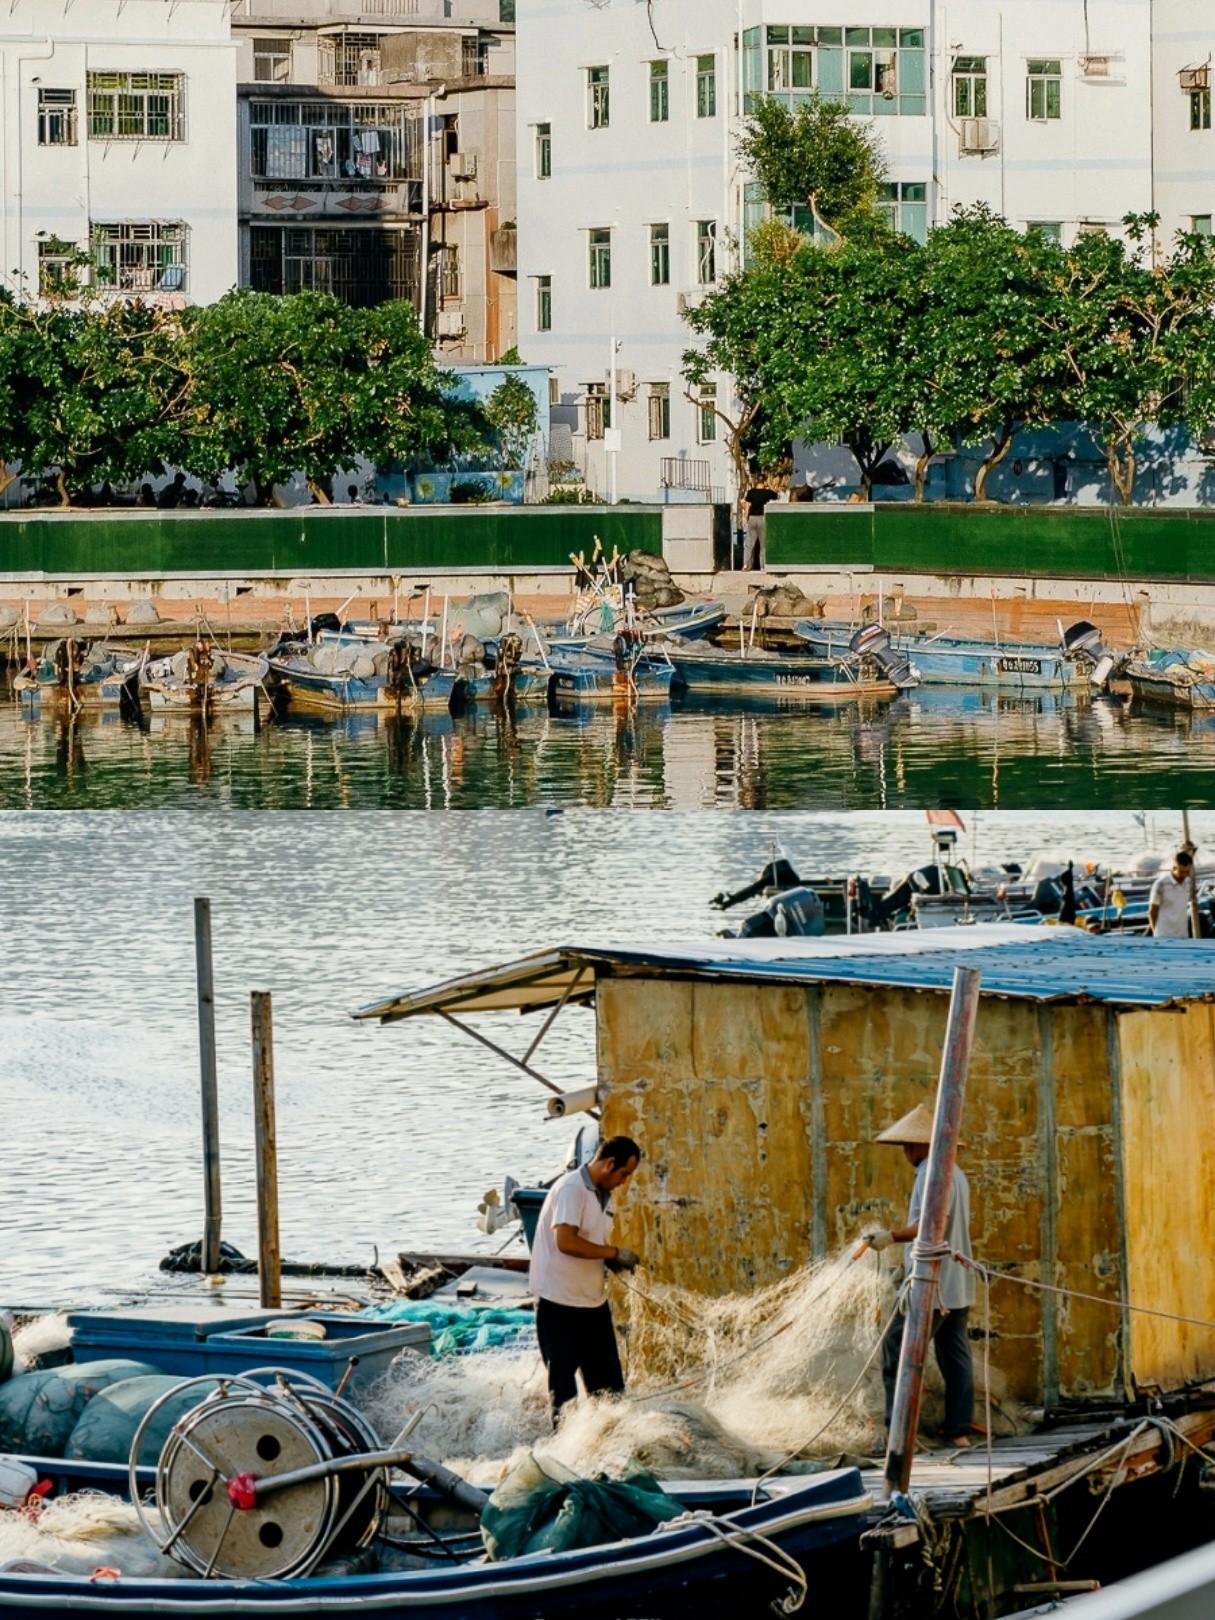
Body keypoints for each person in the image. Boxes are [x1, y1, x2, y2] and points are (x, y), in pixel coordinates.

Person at [862, 1103, 976, 1449]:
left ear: (924, 1145)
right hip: (956, 1282)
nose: (906, 1153)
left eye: (909, 1146)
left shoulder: (931, 1173)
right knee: (955, 1356)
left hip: (933, 1285)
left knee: (897, 1350)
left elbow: (929, 1226)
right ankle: (958, 1430)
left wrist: (891, 1237)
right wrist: (905, 1263)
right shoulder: (956, 1172)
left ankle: (898, 1434)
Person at [527, 1134, 642, 1425]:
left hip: (592, 1302)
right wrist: (613, 1252)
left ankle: (607, 1446)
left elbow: (590, 1242)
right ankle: (566, 1454)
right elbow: (566, 1241)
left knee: (610, 1389)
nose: (623, 1181)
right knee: (564, 1394)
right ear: (609, 1164)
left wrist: (608, 1260)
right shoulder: (572, 1189)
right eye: (623, 1174)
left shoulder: (604, 1196)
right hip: (559, 1302)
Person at [1149, 850, 1195, 938]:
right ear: (1174, 868)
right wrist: (1155, 933)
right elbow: (1152, 912)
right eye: (1181, 872)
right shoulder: (1160, 884)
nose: (1185, 875)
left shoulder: (1188, 882)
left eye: (1187, 872)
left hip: (1183, 935)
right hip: (1163, 935)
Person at [741, 480, 779, 570]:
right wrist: (769, 487)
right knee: (763, 545)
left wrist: (746, 518)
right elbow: (777, 496)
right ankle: (763, 566)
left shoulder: (751, 492)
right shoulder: (768, 493)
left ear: (756, 483)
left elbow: (747, 505)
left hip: (752, 518)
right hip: (763, 518)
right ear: (764, 483)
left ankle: (746, 565)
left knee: (749, 544)